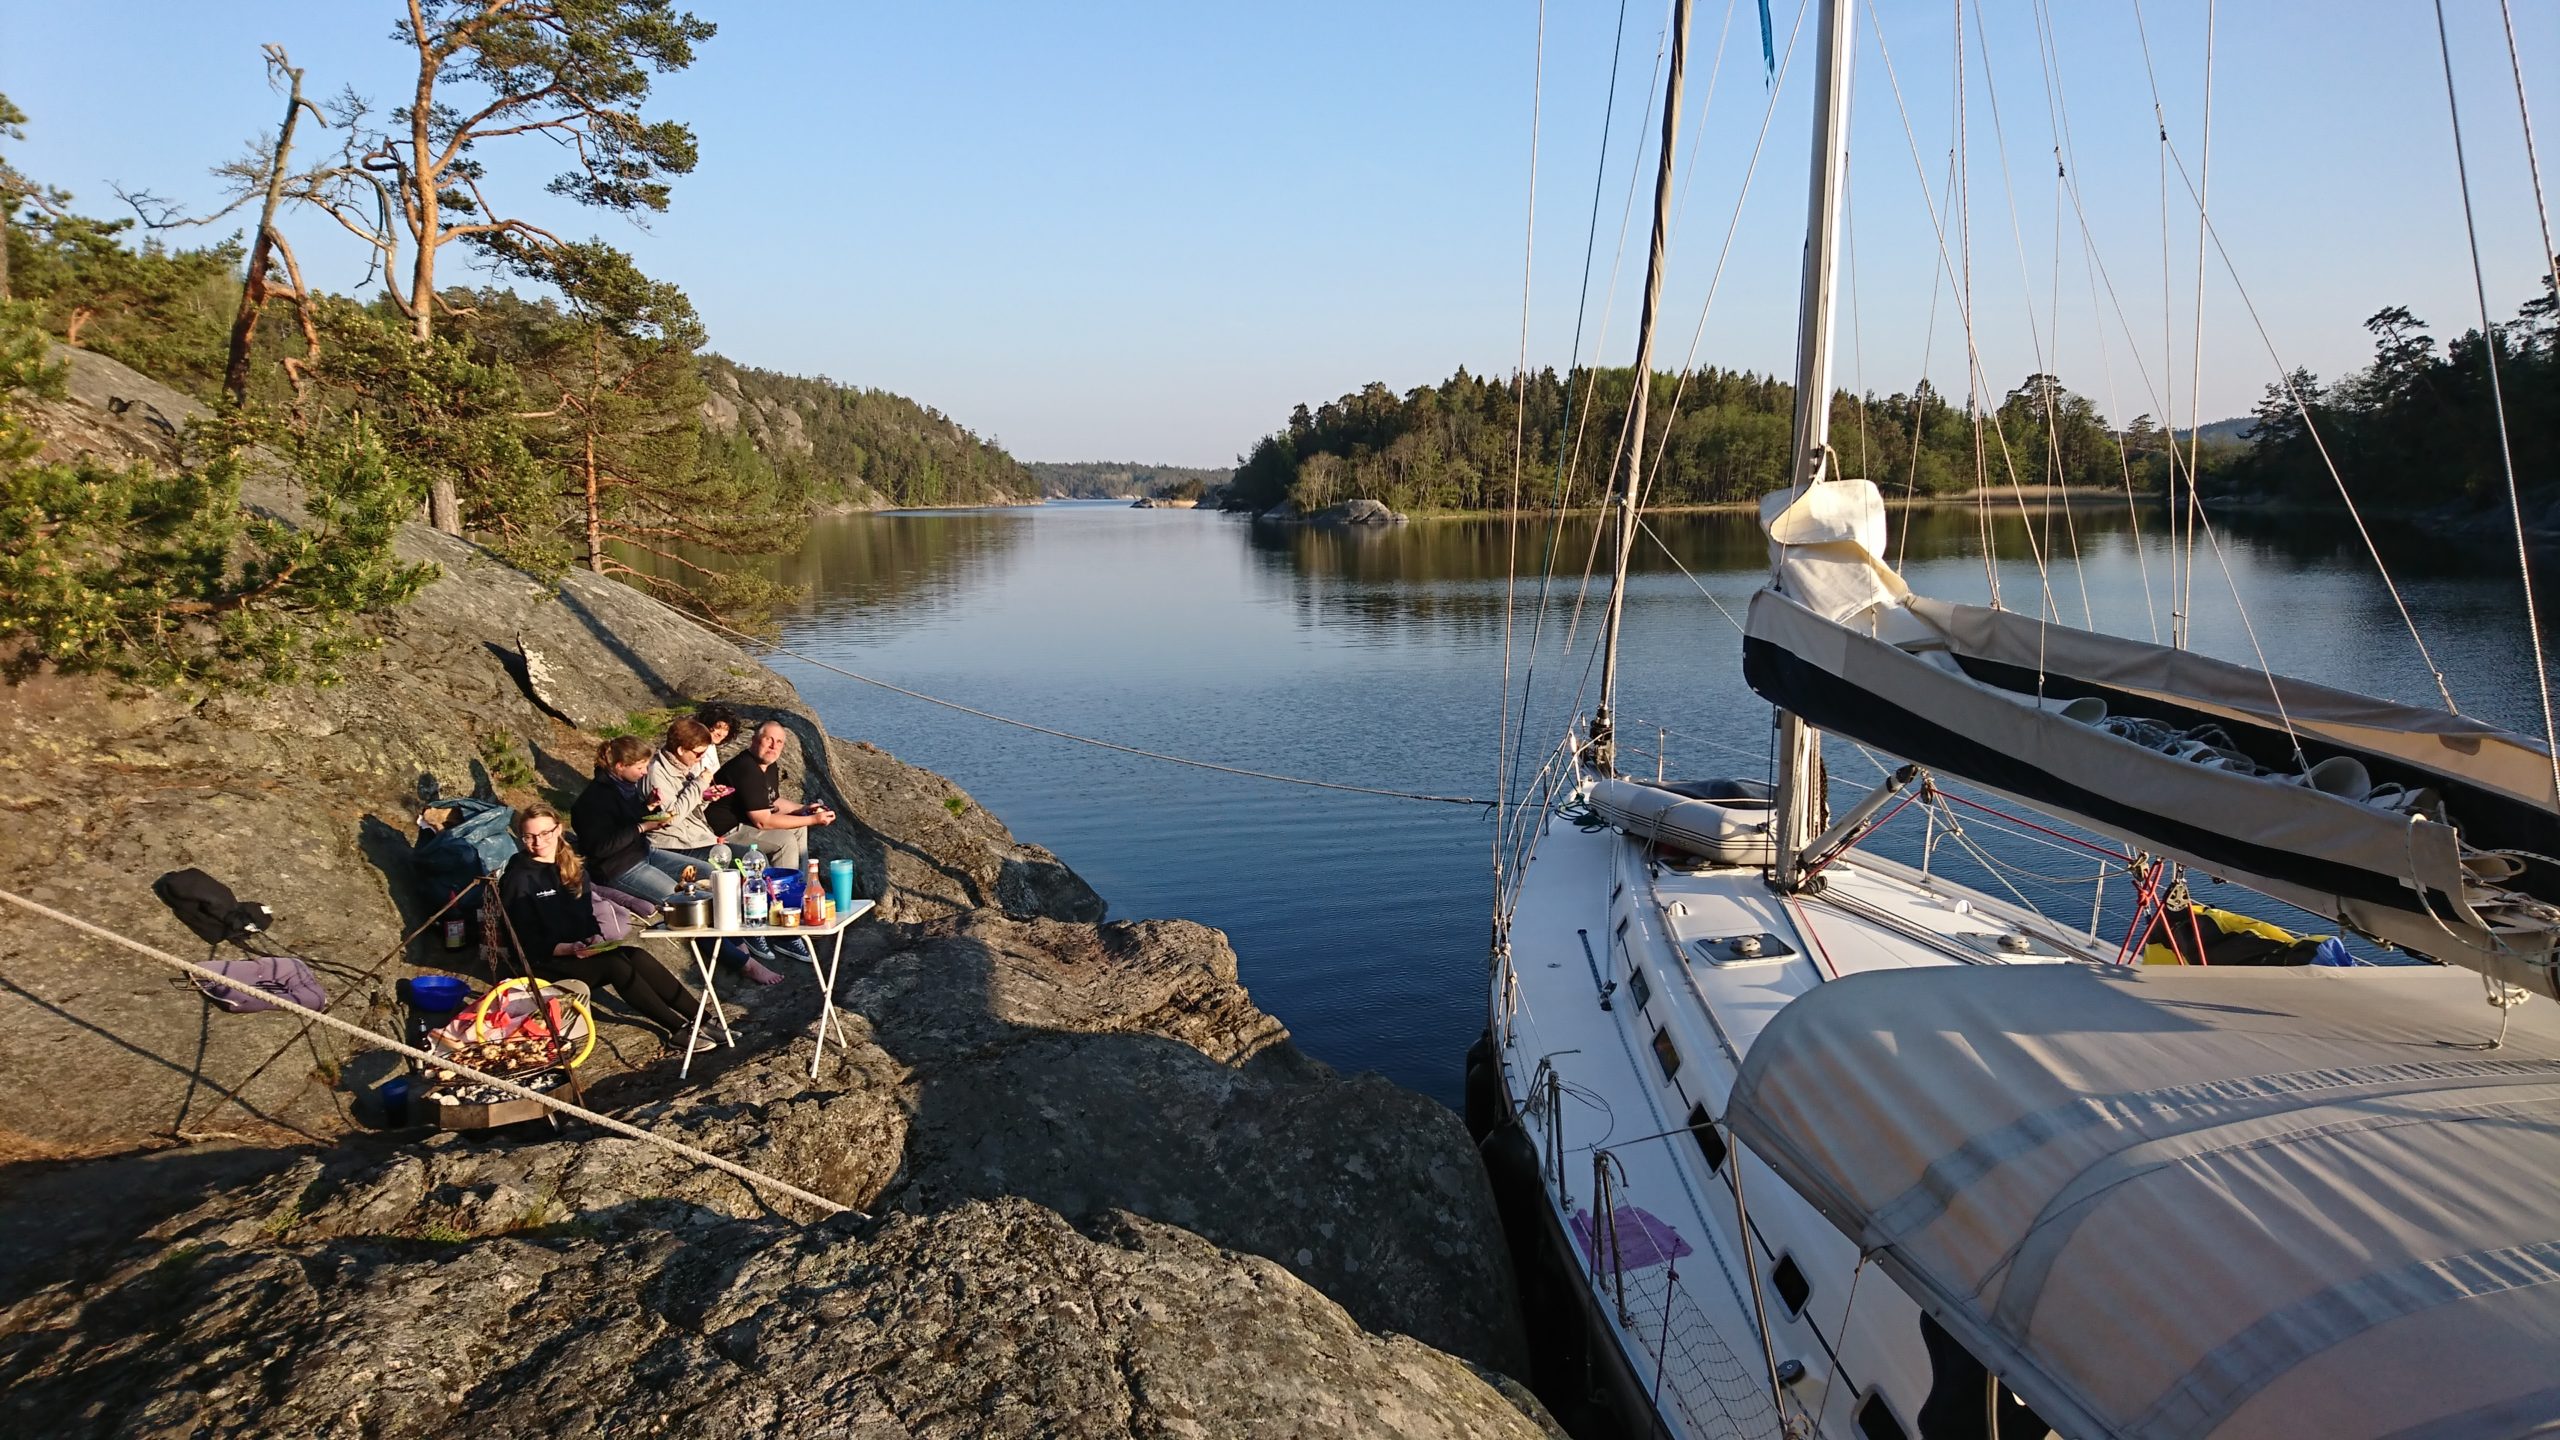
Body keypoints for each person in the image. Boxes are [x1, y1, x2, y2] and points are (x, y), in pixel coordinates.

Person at [499, 804, 711, 1052]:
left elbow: (586, 914)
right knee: (615, 966)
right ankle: (677, 1029)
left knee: (636, 955)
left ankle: (705, 1019)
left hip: (581, 951)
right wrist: (567, 949)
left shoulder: (570, 865)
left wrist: (594, 939)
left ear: (558, 830)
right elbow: (523, 940)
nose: (538, 841)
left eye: (545, 833)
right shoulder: (518, 879)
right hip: (546, 960)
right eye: (529, 836)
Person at [571, 735, 694, 905]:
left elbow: (626, 819)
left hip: (643, 852)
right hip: (618, 867)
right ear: (620, 766)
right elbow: (600, 848)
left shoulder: (625, 786)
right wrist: (642, 827)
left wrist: (649, 807)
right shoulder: (593, 800)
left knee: (709, 873)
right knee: (682, 900)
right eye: (640, 768)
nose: (645, 772)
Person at [706, 719, 837, 871]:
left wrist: (804, 809)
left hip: (747, 823)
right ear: (754, 740)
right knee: (784, 841)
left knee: (800, 826)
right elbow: (763, 822)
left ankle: (802, 885)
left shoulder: (769, 765)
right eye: (769, 739)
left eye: (779, 742)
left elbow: (773, 801)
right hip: (727, 831)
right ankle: (784, 890)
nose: (774, 746)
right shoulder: (746, 769)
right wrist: (814, 819)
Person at [644, 717, 723, 860]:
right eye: (699, 753)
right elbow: (669, 818)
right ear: (681, 750)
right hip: (672, 844)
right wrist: (699, 784)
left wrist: (704, 797)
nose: (701, 758)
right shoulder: (655, 772)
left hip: (693, 837)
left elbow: (689, 806)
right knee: (734, 862)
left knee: (750, 857)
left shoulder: (685, 765)